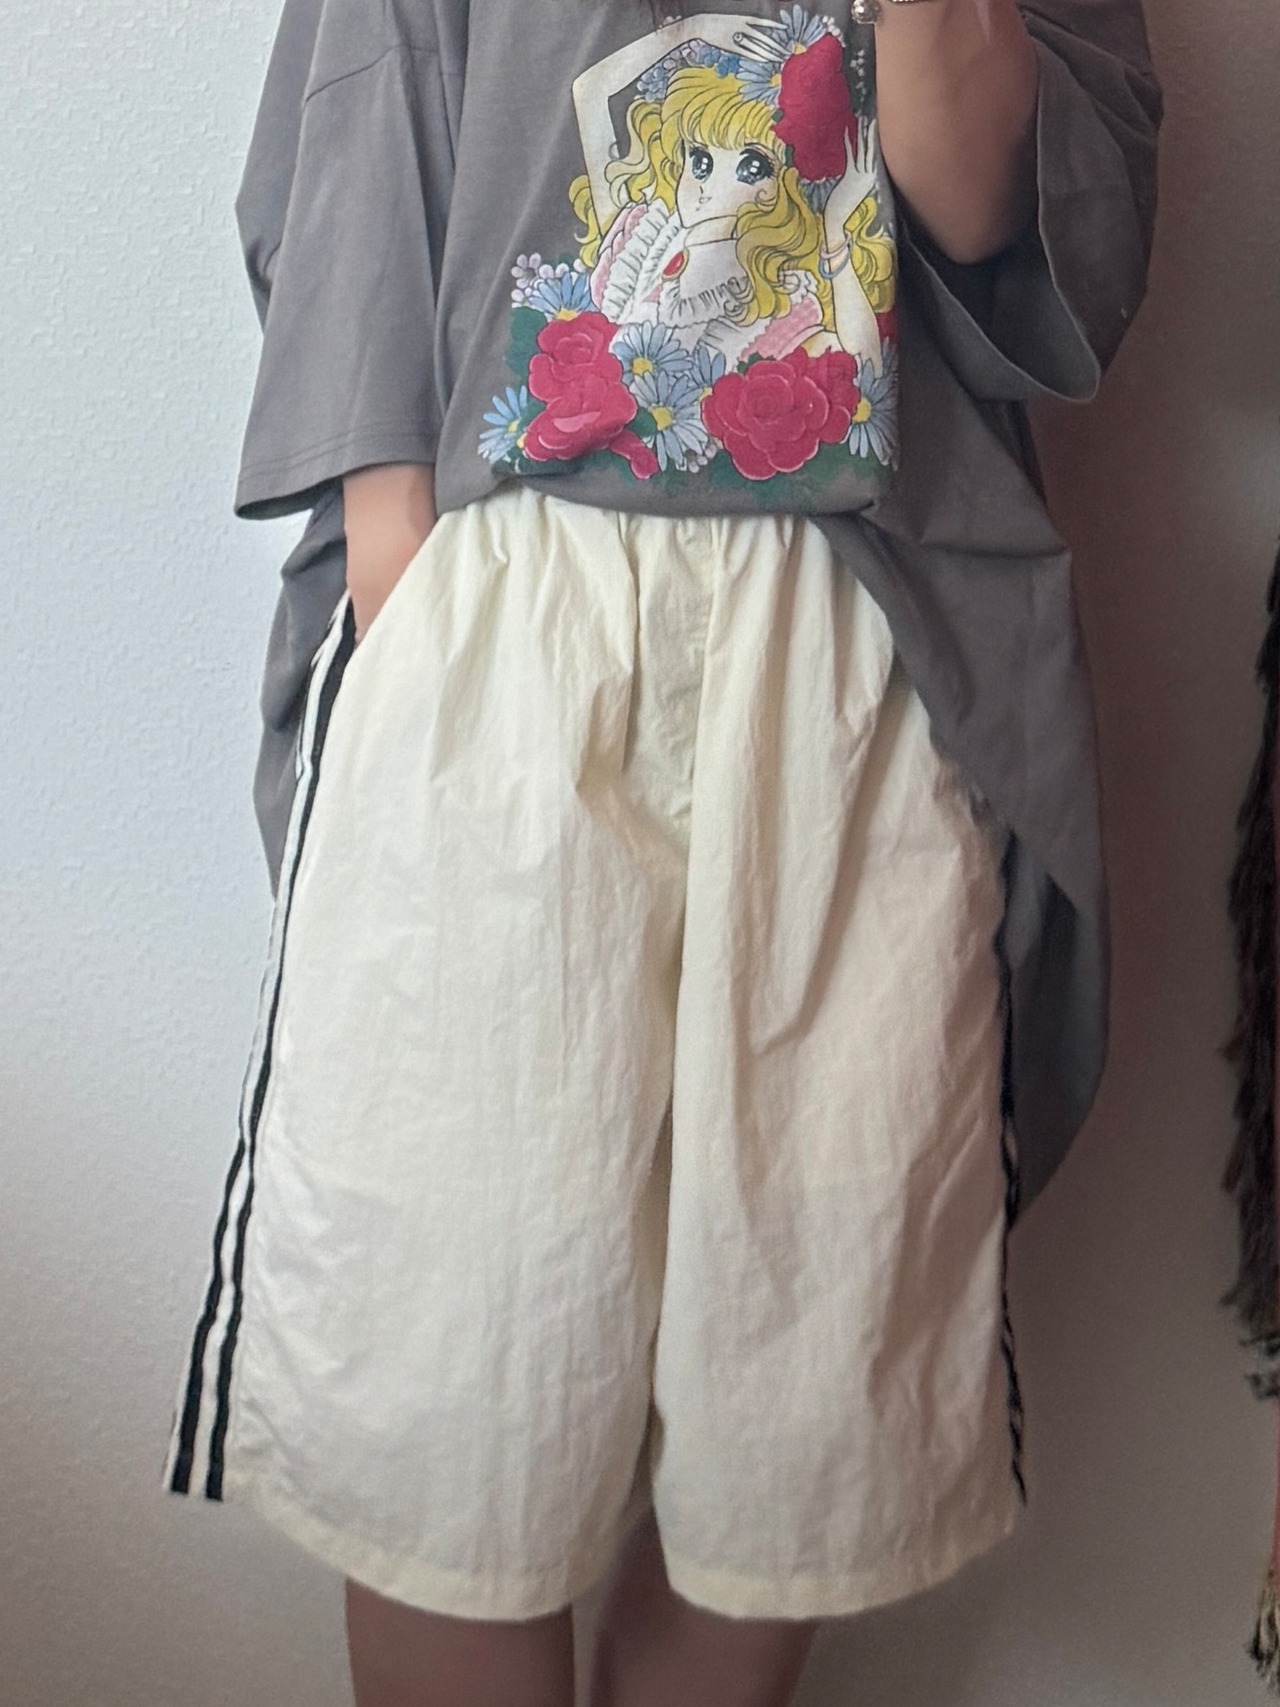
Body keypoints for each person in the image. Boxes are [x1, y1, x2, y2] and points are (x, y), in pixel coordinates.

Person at [163, 3, 1161, 1704]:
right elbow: (358, 146)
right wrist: (412, 628)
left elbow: (996, 212)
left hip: (858, 631)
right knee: (452, 1422)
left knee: (808, 1421)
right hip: (507, 605)